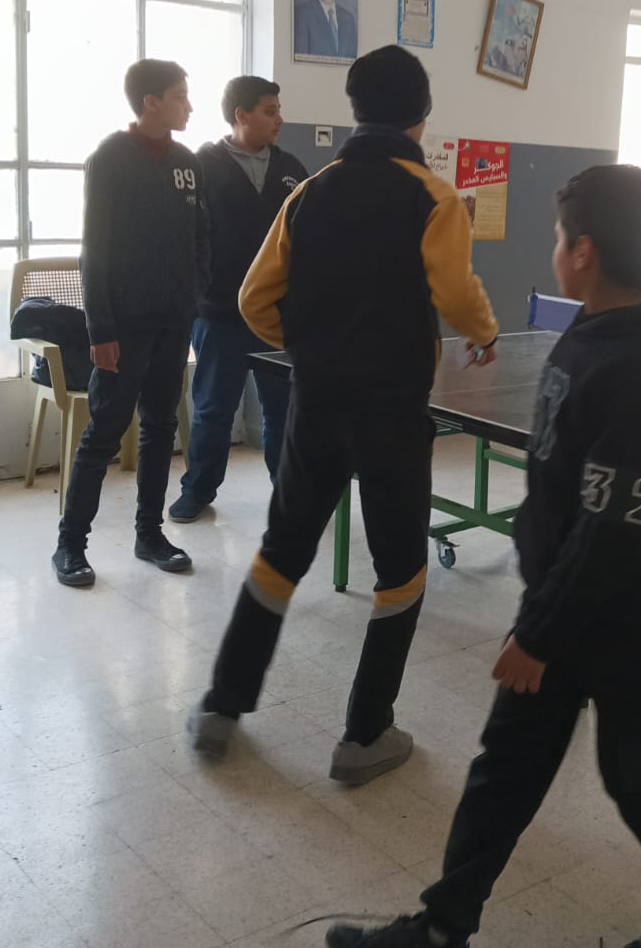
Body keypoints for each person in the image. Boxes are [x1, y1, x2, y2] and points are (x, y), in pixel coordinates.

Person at [325, 166, 641, 948]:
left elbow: (613, 530)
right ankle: (443, 925)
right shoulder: (596, 330)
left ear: (582, 252)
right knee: (507, 767)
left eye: (556, 237)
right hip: (564, 603)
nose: (554, 249)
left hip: (623, 620)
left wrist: (539, 635)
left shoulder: (640, 377)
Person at [189, 45, 499, 784]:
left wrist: (310, 346)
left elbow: (254, 299)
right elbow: (456, 294)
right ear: (422, 114)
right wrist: (483, 331)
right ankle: (365, 736)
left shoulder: (310, 190)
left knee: (282, 551)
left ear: (354, 110)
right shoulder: (433, 196)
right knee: (400, 569)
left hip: (317, 401)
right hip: (392, 412)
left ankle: (222, 706)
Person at [51, 59, 209, 587]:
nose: (189, 106)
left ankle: (150, 535)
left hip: (174, 322)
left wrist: (193, 295)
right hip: (124, 327)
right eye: (180, 96)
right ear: (151, 102)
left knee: (161, 427)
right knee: (104, 431)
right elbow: (94, 250)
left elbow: (200, 237)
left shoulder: (187, 162)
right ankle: (70, 546)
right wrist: (101, 331)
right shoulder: (111, 158)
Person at [169, 76, 307, 522]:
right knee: (213, 409)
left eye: (279, 110)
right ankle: (198, 490)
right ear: (240, 115)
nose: (279, 119)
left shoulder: (292, 169)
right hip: (219, 315)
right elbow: (184, 238)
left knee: (283, 410)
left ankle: (289, 490)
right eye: (270, 111)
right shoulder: (201, 166)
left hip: (277, 318)